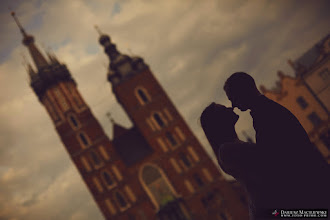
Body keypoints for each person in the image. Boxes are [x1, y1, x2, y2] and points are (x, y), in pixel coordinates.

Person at [223, 72, 329, 209]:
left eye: (233, 98)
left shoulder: (265, 115)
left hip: (311, 189)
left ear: (244, 90)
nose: (233, 105)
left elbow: (275, 159)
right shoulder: (266, 110)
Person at [200, 103, 270, 219]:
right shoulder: (227, 151)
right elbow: (267, 157)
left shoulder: (231, 146)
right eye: (223, 109)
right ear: (218, 122)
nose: (230, 108)